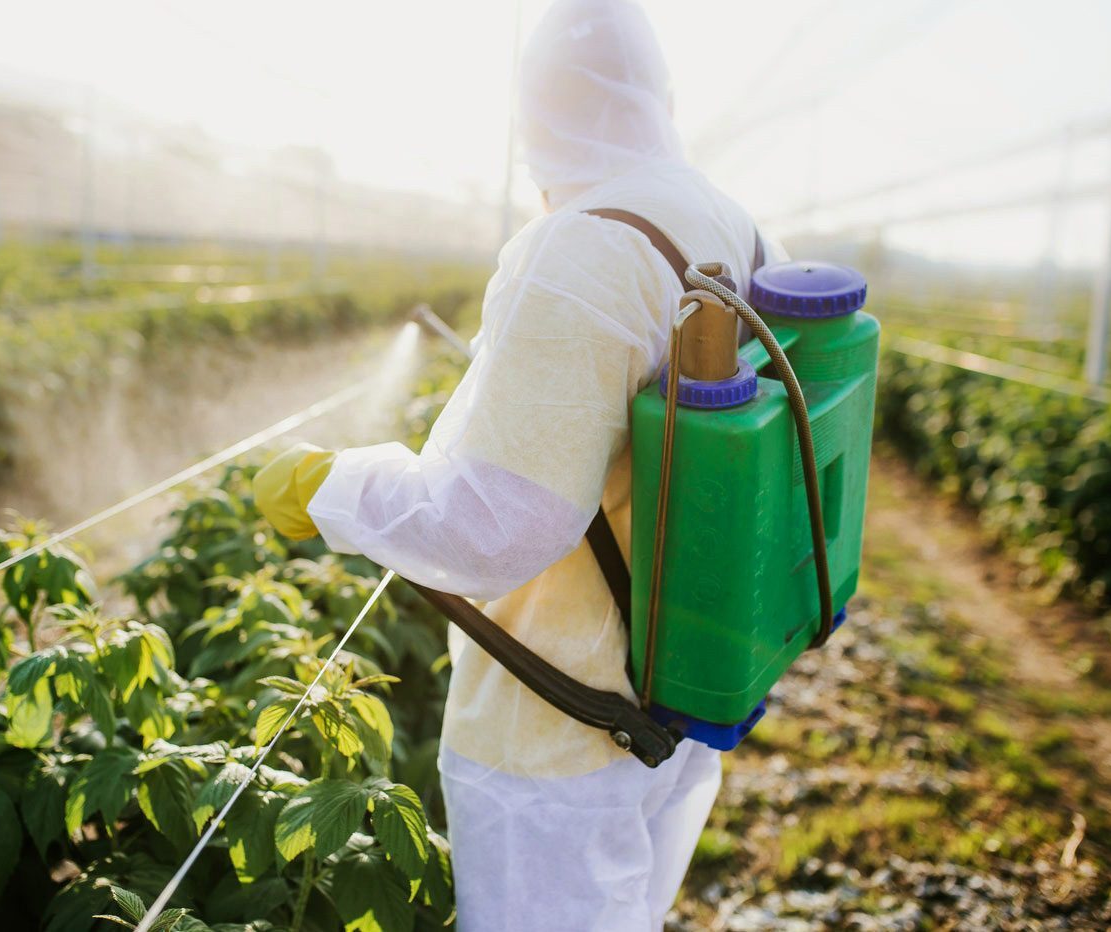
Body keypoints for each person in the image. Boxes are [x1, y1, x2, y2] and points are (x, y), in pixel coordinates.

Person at [254, 0, 783, 927]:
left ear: (532, 115)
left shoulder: (580, 250)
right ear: (659, 95)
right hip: (680, 686)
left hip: (558, 735)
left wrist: (327, 487)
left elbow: (493, 527)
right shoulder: (731, 222)